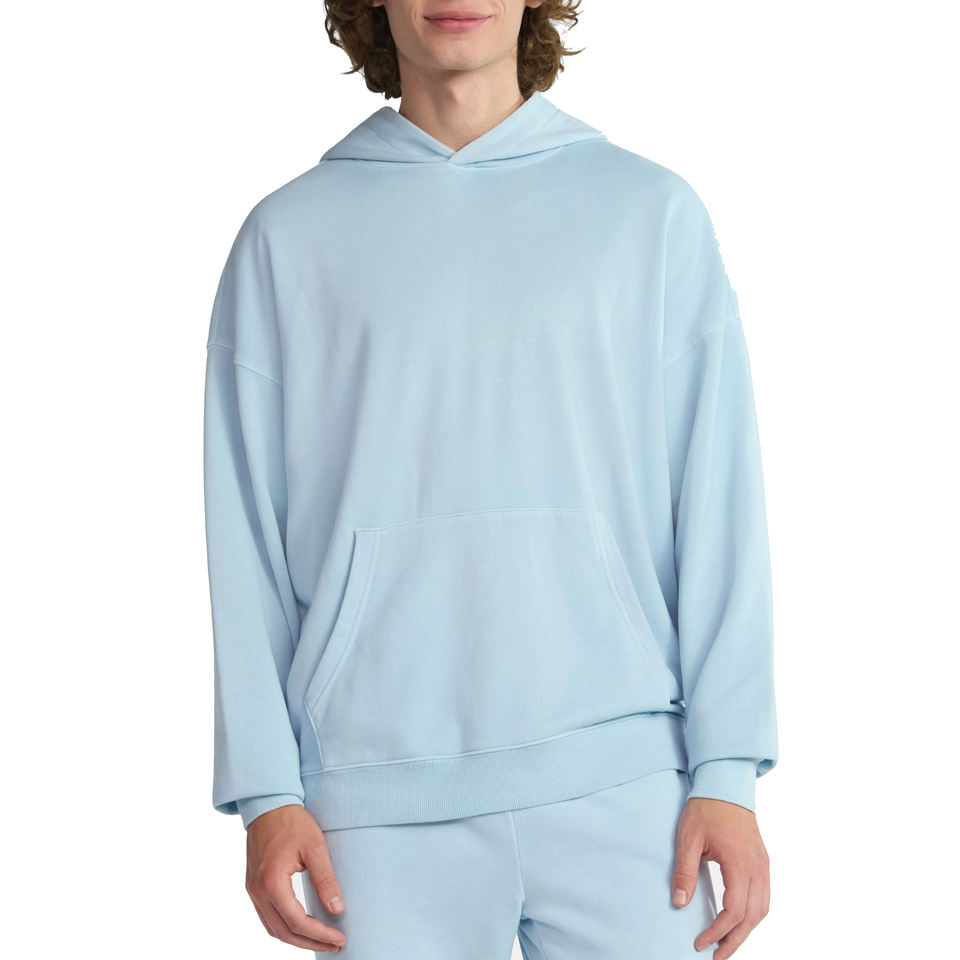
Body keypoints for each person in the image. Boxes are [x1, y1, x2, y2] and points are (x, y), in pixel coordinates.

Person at [201, 2, 779, 958]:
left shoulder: (649, 214)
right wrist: (266, 791)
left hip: (629, 788)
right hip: (371, 809)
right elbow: (243, 530)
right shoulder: (288, 236)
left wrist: (728, 769)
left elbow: (718, 499)